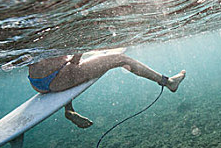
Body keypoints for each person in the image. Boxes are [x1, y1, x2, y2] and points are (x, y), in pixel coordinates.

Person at [28, 51, 186, 128]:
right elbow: (75, 59)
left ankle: (69, 110)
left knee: (70, 79)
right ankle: (169, 82)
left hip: (36, 82)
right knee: (120, 59)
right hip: (58, 76)